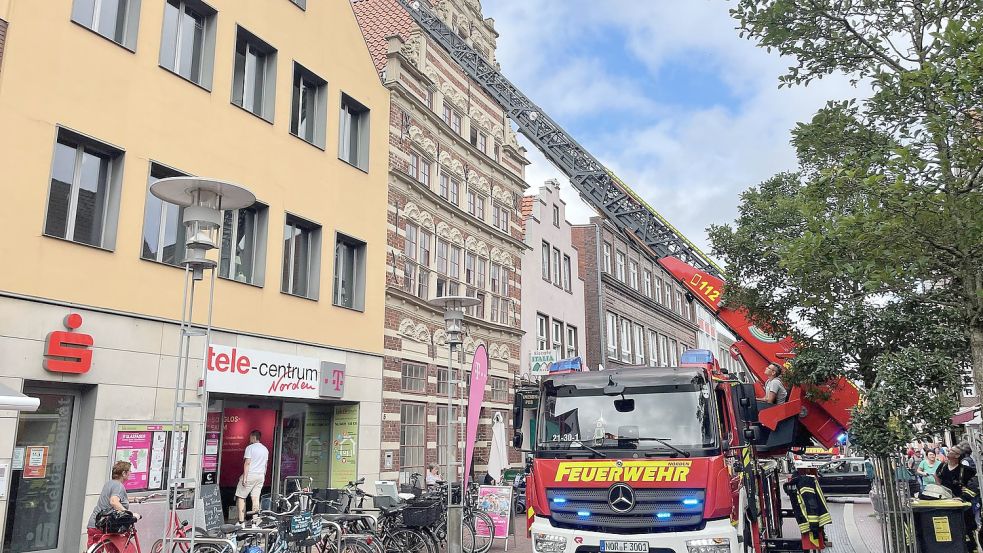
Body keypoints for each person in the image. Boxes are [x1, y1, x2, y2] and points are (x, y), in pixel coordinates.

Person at [87, 461, 144, 546]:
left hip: (94, 524)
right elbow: (114, 501)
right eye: (129, 471)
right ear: (124, 473)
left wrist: (135, 499)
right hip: (105, 526)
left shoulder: (109, 483)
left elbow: (117, 498)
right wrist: (129, 515)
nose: (131, 473)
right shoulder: (119, 486)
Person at [935, 445, 979, 552]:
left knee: (967, 527)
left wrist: (962, 497)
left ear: (957, 456)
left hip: (962, 504)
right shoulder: (942, 466)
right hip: (946, 502)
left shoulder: (966, 470)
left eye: (951, 451)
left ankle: (971, 547)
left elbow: (974, 485)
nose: (948, 453)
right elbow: (936, 475)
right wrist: (940, 488)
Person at [237, 430, 269, 524]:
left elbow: (247, 463)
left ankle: (241, 521)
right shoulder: (265, 449)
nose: (249, 439)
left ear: (254, 438)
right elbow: (265, 465)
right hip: (260, 475)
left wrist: (245, 478)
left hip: (251, 474)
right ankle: (255, 521)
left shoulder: (250, 448)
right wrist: (263, 475)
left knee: (241, 497)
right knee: (255, 498)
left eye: (250, 437)